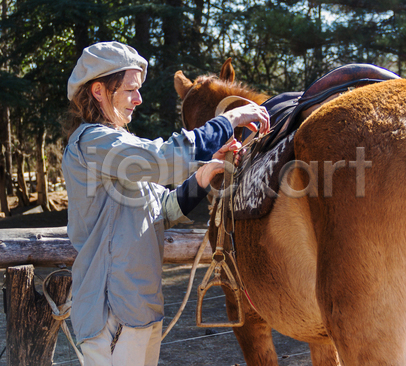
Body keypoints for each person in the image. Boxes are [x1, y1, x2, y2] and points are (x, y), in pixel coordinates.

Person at [62, 41, 269, 366]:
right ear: (99, 91)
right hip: (111, 317)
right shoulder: (93, 141)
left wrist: (206, 172)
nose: (139, 99)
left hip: (140, 311)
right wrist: (229, 120)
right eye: (130, 89)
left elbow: (163, 211)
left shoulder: (122, 147)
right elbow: (160, 160)